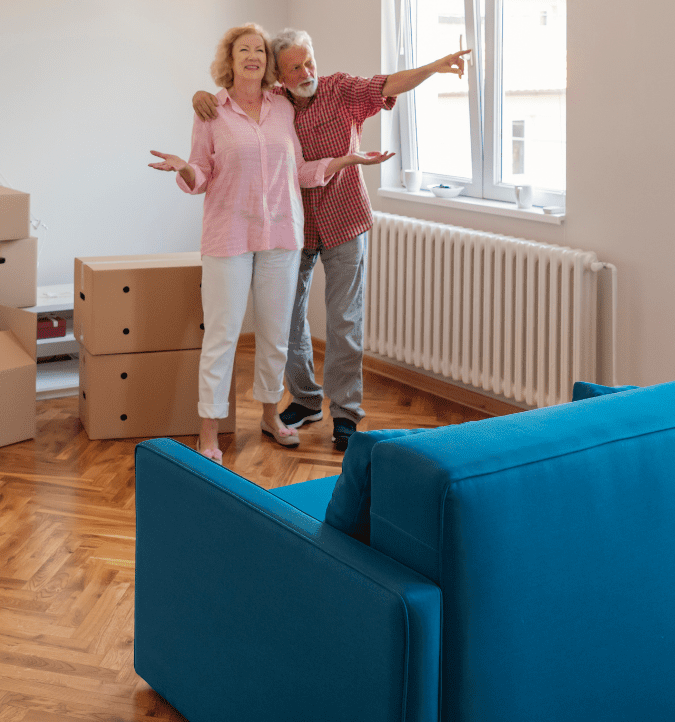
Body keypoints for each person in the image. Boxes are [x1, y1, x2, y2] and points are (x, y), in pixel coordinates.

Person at [192, 29, 468, 449]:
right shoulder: (264, 105)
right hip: (282, 228)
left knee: (341, 321)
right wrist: (201, 103)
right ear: (279, 76)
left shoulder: (330, 93)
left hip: (330, 221)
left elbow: (386, 84)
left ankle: (345, 414)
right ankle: (304, 400)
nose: (306, 72)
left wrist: (430, 68)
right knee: (284, 323)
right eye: (295, 67)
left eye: (309, 62)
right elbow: (212, 158)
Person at [149, 24, 384, 463]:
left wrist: (348, 160)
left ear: (267, 62)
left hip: (281, 235)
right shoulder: (210, 111)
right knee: (222, 336)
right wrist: (184, 169)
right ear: (231, 59)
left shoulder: (282, 108)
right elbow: (201, 175)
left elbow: (298, 169)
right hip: (228, 237)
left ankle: (270, 415)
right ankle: (209, 431)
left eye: (259, 49)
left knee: (276, 334)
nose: (253, 56)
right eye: (244, 50)